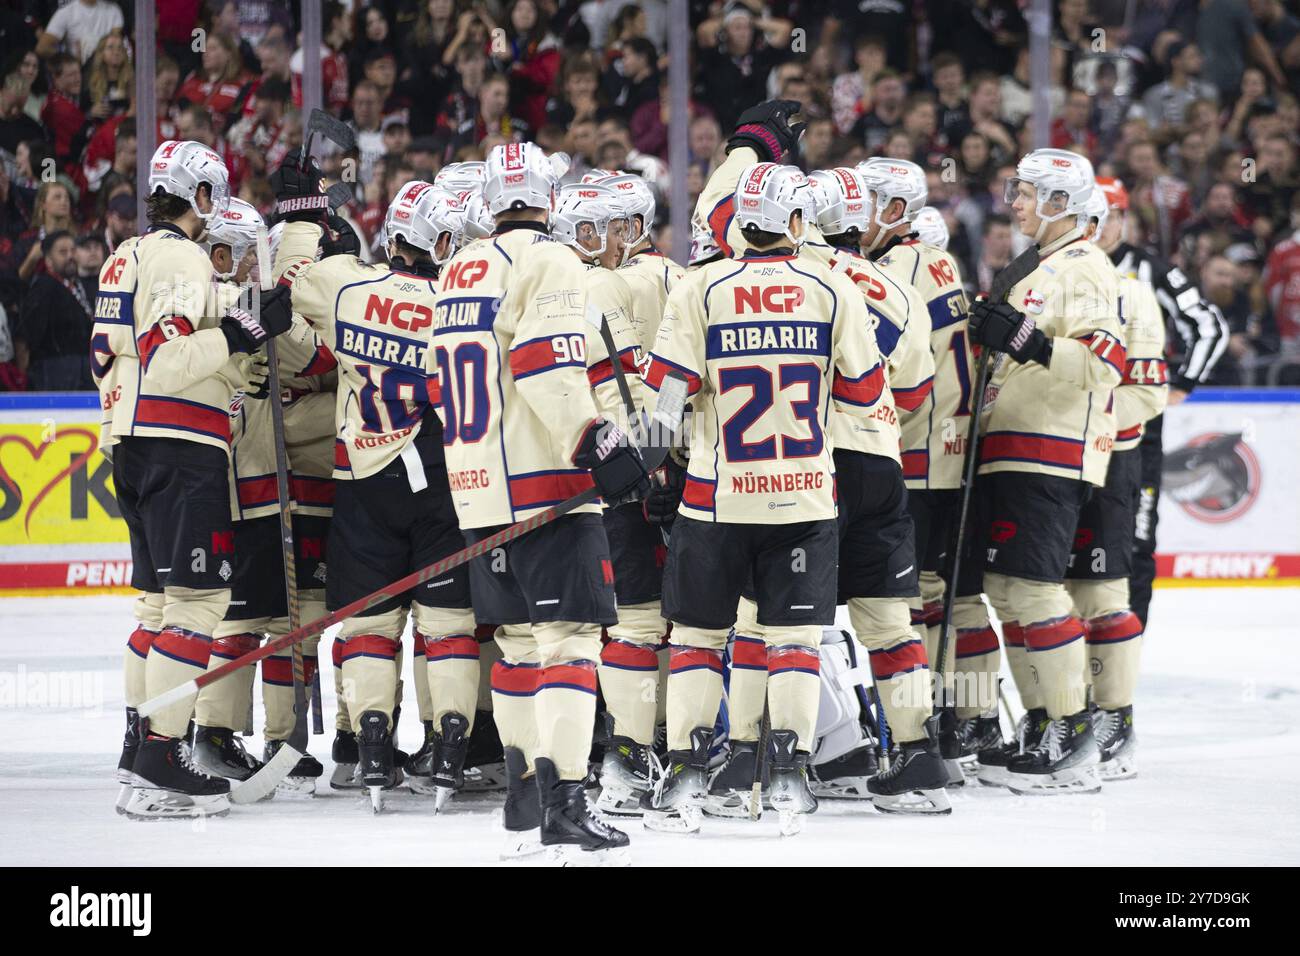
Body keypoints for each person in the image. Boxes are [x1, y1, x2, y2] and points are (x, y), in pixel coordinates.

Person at [643, 155, 884, 834]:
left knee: (695, 639)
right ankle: (787, 777)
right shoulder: (833, 289)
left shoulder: (700, 287)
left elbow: (666, 396)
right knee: (794, 642)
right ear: (797, 221)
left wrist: (641, 456)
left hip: (716, 499)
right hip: (804, 502)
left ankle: (688, 779)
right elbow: (867, 393)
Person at [430, 142, 647, 861]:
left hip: (477, 491)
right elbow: (545, 363)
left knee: (519, 647)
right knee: (573, 644)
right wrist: (594, 438)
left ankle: (524, 796)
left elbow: (445, 383)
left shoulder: (460, 266)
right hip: (544, 483)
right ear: (548, 197)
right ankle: (566, 801)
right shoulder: (550, 259)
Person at [95, 140, 293, 819]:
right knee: (196, 606)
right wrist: (240, 332)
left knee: (155, 610)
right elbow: (168, 359)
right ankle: (161, 757)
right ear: (199, 194)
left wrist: (236, 339)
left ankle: (139, 749)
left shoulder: (127, 253)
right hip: (178, 446)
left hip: (132, 444)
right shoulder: (180, 254)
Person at [272, 169, 480, 812]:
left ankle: (370, 752)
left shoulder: (346, 284)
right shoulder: (458, 299)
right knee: (448, 627)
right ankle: (450, 752)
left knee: (368, 627)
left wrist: (306, 218)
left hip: (362, 483)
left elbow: (275, 297)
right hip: (441, 479)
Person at [966, 148, 1122, 794]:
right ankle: (1043, 720)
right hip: (1016, 445)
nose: (1017, 204)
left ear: (1062, 202)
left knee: (1032, 590)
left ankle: (1074, 728)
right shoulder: (1046, 266)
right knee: (1007, 592)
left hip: (1048, 450)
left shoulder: (1085, 266)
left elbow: (1103, 365)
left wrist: (1024, 340)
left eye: (1028, 193)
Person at [549, 182, 659, 816]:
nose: (615, 240)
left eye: (619, 227)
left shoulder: (574, 286)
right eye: (602, 228)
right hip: (630, 467)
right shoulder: (622, 283)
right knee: (647, 623)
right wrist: (664, 452)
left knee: (620, 623)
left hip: (599, 470)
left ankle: (616, 750)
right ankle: (634, 747)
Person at [1068, 179, 1169, 781]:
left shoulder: (1136, 293)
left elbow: (1148, 390)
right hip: (1048, 465)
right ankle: (1067, 709)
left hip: (1110, 462)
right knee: (1052, 592)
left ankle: (1116, 715)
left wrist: (1089, 425)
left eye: (1104, 221)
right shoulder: (1050, 282)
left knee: (1105, 590)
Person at [1108, 193, 1229, 628]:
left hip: (1140, 425)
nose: (1099, 225)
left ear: (1123, 219)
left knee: (1137, 538)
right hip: (1076, 423)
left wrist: (1182, 384)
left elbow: (1209, 326)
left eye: (1109, 217)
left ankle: (1127, 644)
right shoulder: (1058, 268)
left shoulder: (1152, 270)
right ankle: (1073, 646)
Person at [15, 230, 95, 390]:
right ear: (48, 260)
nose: (70, 256)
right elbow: (24, 337)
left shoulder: (80, 285)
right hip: (53, 373)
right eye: (62, 252)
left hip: (83, 371)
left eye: (73, 250)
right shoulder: (44, 287)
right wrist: (22, 377)